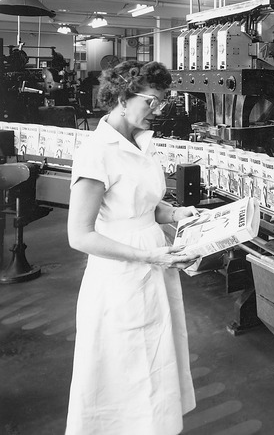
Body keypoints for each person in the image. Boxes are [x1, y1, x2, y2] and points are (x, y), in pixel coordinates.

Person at [65, 60, 199, 435]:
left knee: (155, 358)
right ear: (123, 98)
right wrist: (147, 256)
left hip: (153, 260)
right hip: (121, 271)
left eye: (161, 102)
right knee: (125, 366)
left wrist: (174, 212)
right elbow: (79, 235)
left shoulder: (139, 141)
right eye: (151, 102)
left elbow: (142, 204)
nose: (157, 111)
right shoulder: (97, 152)